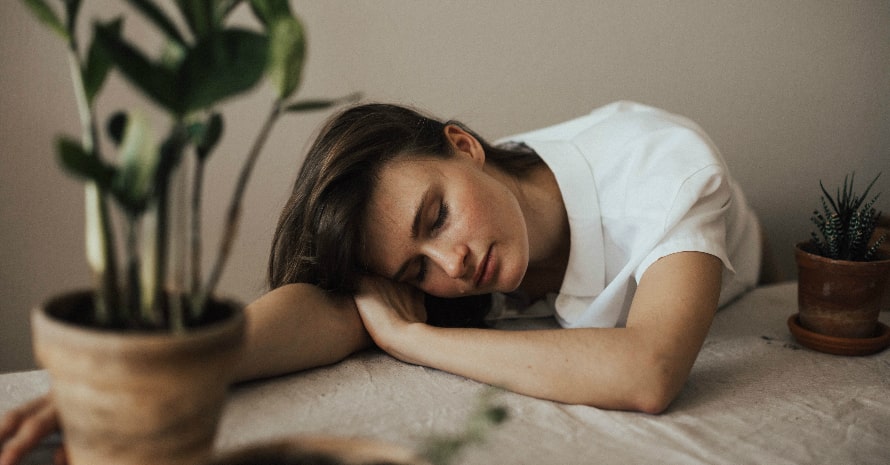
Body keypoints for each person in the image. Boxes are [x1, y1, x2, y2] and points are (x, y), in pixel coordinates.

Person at [0, 101, 770, 465]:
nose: (450, 267)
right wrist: (154, 373)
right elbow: (329, 309)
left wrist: (414, 337)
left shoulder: (664, 163)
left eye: (437, 216)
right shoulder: (458, 244)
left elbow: (647, 371)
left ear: (464, 145)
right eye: (414, 272)